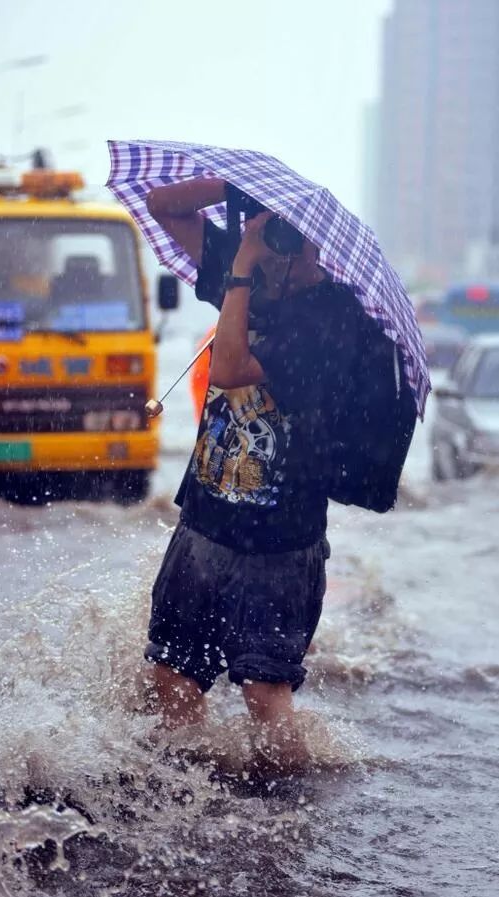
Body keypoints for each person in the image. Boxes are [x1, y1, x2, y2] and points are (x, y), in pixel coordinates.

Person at [142, 178, 411, 774]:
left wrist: (239, 267)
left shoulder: (333, 318)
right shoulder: (255, 277)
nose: (294, 252)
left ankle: (289, 816)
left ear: (320, 250)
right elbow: (165, 206)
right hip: (204, 526)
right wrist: (244, 196)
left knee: (264, 694)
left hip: (280, 542)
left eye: (301, 240)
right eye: (283, 236)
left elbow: (231, 369)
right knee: (171, 678)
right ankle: (188, 803)